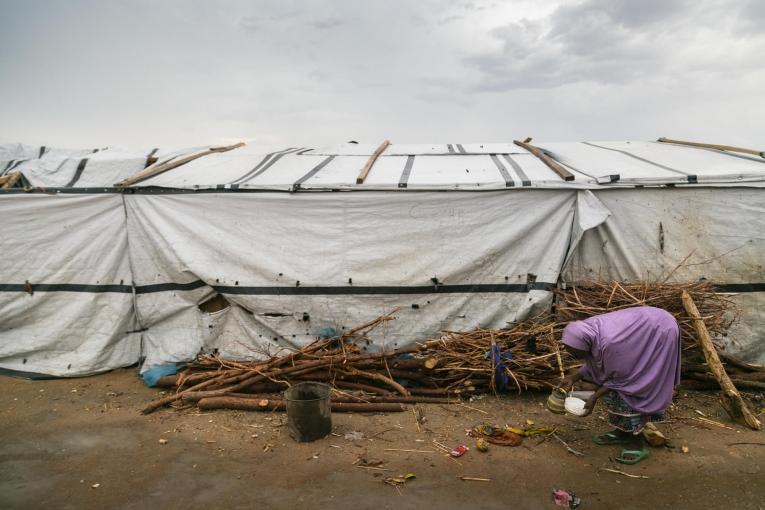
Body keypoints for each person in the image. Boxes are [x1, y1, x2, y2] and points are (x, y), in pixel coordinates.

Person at [559, 306, 681, 464]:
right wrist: (574, 377)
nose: (574, 356)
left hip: (660, 331)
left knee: (632, 391)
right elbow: (597, 360)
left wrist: (594, 397)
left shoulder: (609, 343)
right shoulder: (587, 330)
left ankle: (636, 443)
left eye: (575, 353)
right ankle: (622, 432)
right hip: (643, 331)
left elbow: (623, 378)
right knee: (614, 392)